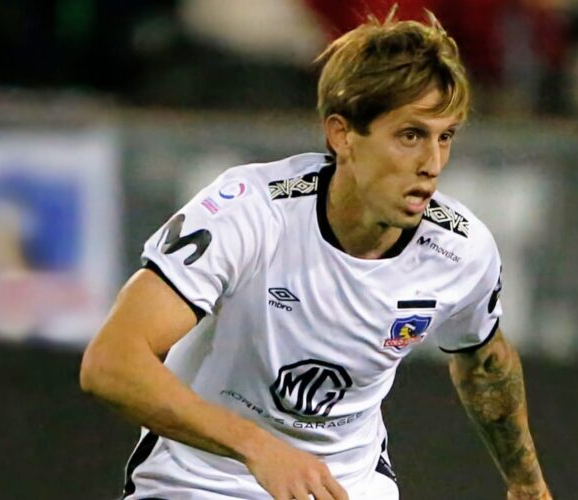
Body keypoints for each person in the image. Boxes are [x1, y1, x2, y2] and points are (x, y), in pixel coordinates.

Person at [80, 8, 551, 500]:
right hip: (200, 482)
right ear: (342, 135)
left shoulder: (460, 251)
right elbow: (111, 362)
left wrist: (528, 485)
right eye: (410, 135)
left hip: (346, 487)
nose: (431, 164)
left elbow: (485, 362)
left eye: (444, 138)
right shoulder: (248, 211)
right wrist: (256, 447)